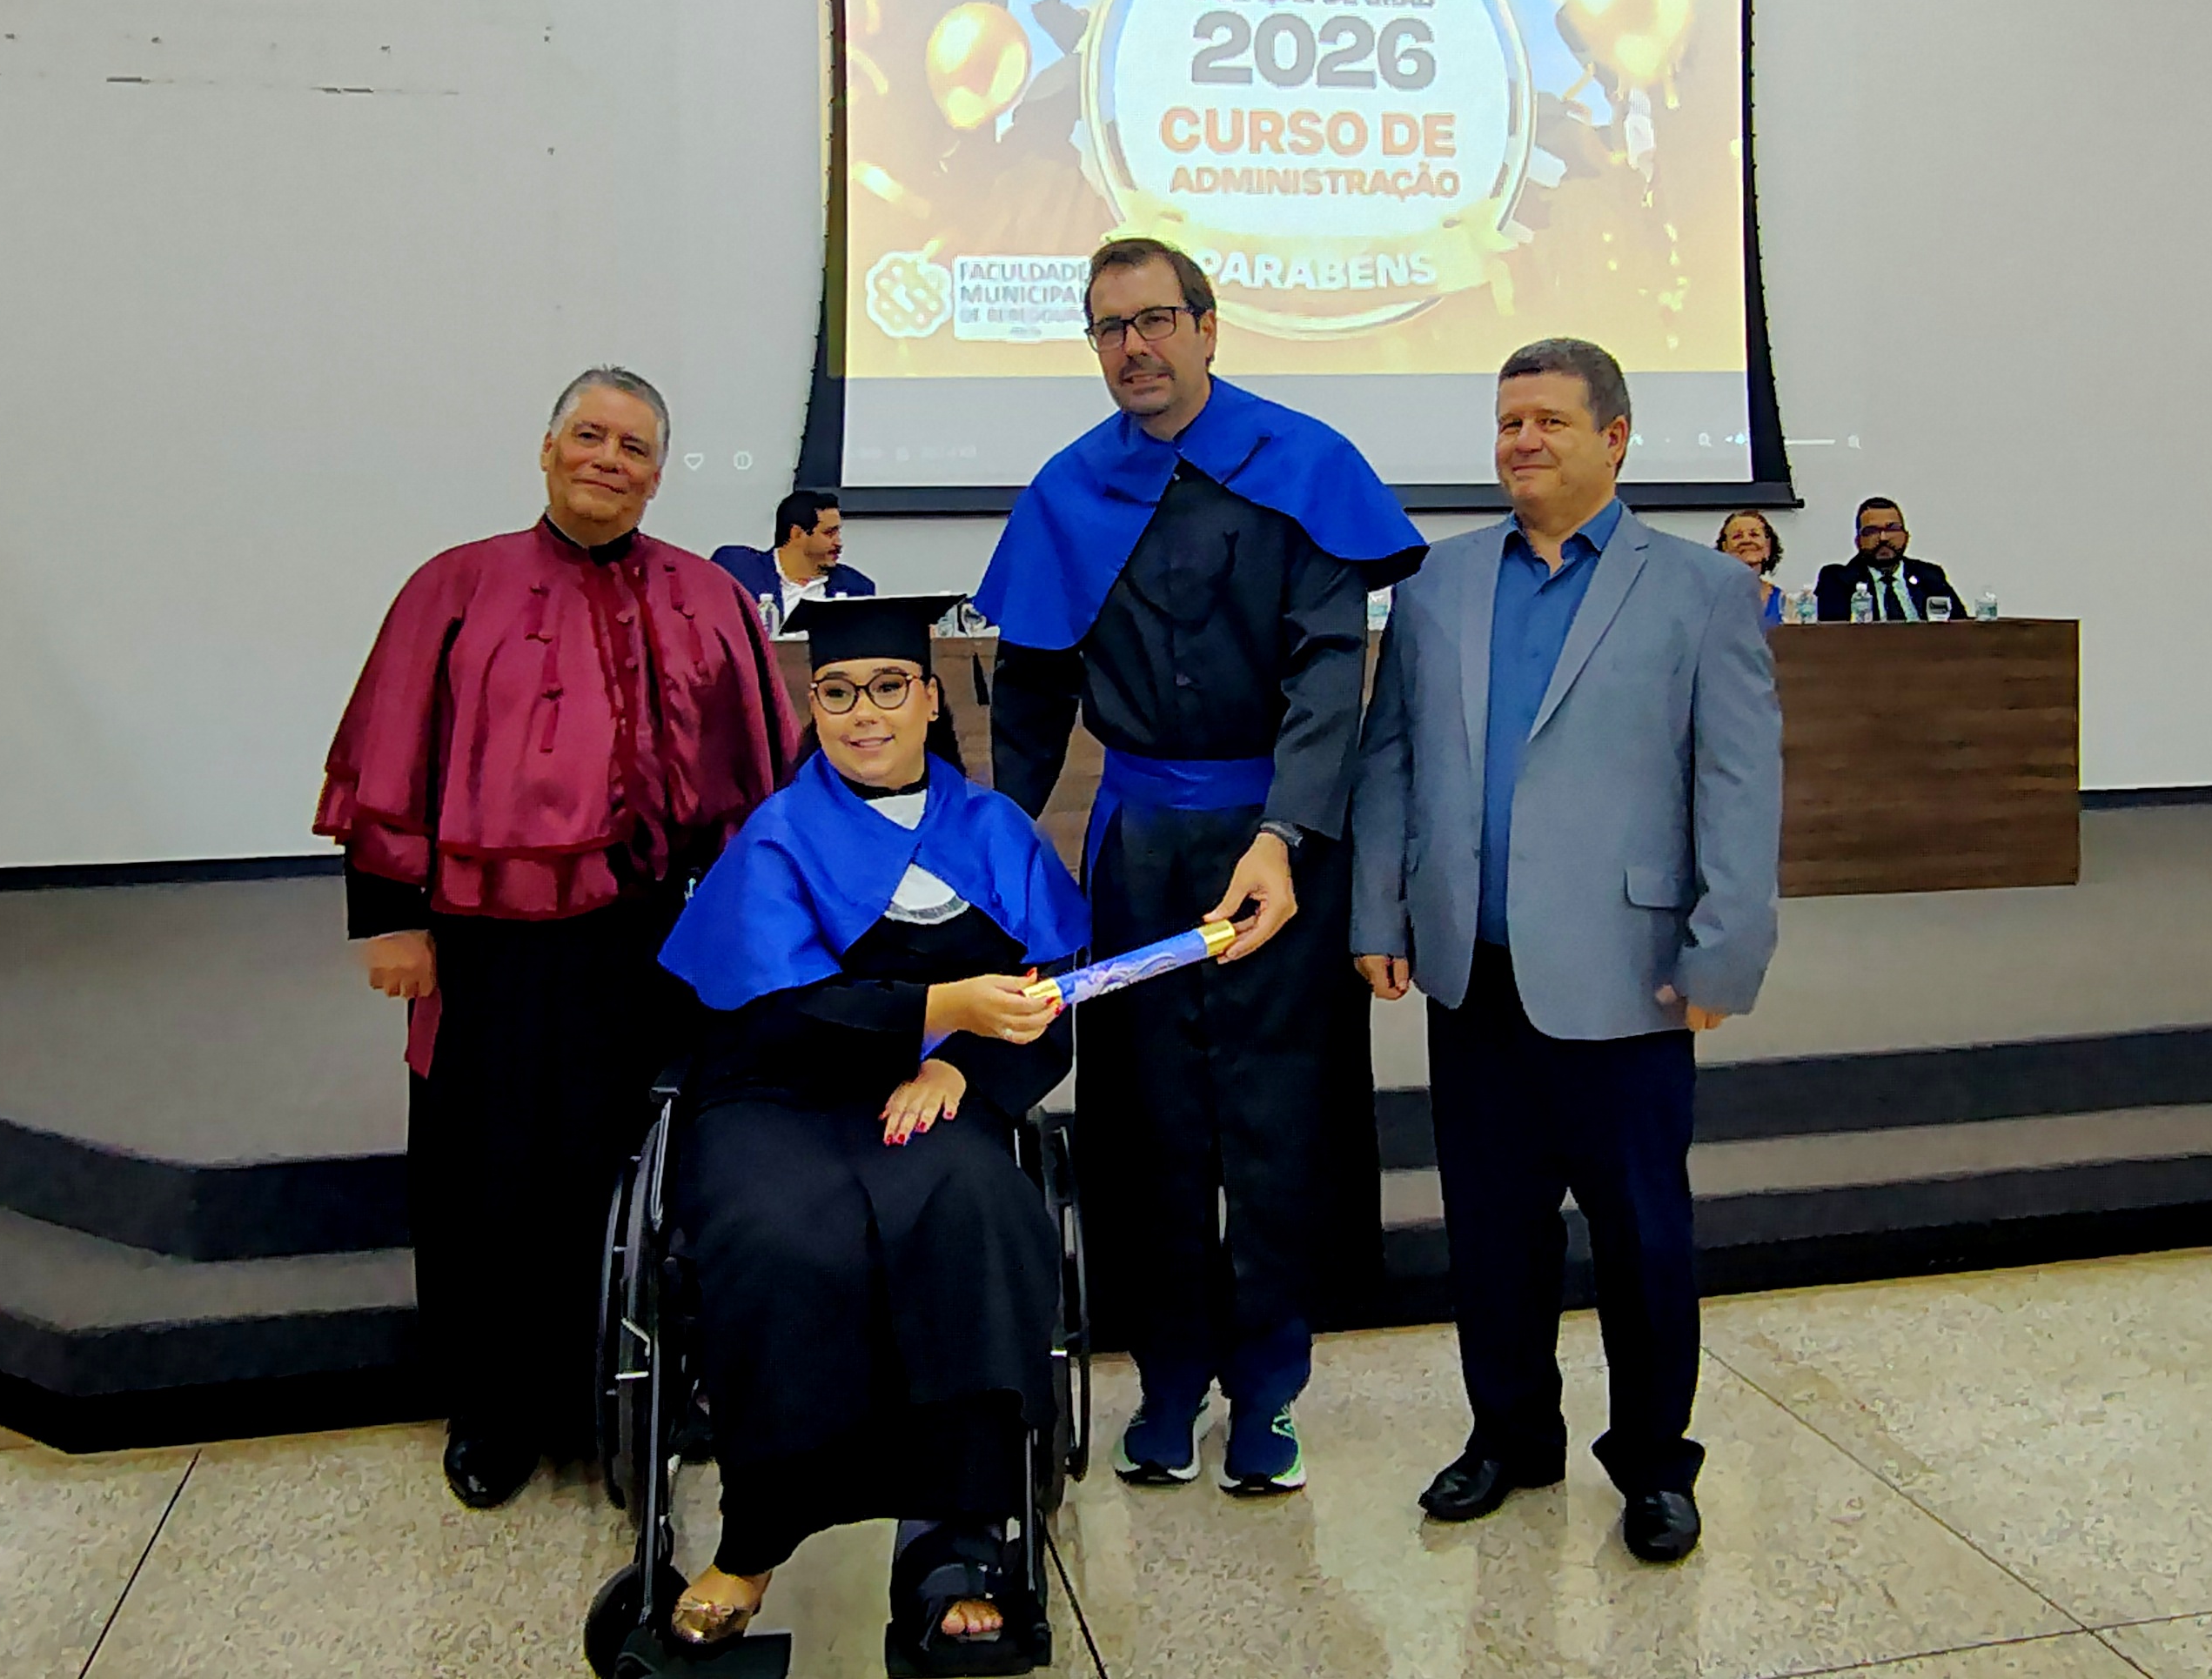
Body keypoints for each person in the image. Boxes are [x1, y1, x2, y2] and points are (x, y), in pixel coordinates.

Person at [976, 235, 1425, 1499]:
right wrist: (995, 860)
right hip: (1140, 857)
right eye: (1109, 327)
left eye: (1157, 320)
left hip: (1281, 851)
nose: (1135, 347)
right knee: (1149, 1124)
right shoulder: (1067, 490)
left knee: (1281, 1122)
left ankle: (1270, 1386)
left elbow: (1328, 674)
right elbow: (1031, 701)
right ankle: (1169, 1378)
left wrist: (1285, 836)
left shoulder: (1305, 464)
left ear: (1210, 326)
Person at [317, 366, 799, 1511]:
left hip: (658, 941)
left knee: (647, 1170)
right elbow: (390, 750)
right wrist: (393, 918)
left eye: (634, 448)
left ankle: (638, 1391)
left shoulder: (708, 598)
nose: (607, 461)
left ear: (658, 475)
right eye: (590, 436)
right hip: (492, 948)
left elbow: (764, 778)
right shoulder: (454, 587)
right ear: (547, 449)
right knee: (488, 1177)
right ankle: (495, 1410)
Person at [1351, 338, 1781, 1562]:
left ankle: (1652, 1461)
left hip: (1631, 975)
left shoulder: (1702, 591)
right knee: (1492, 1229)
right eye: (1508, 422)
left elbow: (1739, 784)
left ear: (1616, 438)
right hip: (1473, 971)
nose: (1522, 441)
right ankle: (1510, 1435)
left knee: (1643, 1236)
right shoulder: (1439, 583)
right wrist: (1379, 913)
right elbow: (1392, 757)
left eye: (1548, 420)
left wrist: (1724, 952)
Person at [654, 592, 1087, 1668]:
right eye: (838, 693)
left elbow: (1050, 1000)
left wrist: (963, 1068)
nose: (864, 713)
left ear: (932, 700)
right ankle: (756, 1538)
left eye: (889, 688)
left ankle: (953, 1538)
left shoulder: (994, 831)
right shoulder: (779, 835)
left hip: (928, 1095)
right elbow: (773, 1009)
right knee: (780, 1240)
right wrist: (940, 1008)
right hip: (777, 1095)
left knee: (974, 1211)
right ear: (815, 709)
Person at [713, 490, 876, 620]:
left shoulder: (856, 587)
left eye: (838, 533)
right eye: (829, 533)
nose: (838, 543)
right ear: (797, 534)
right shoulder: (738, 568)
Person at [1813, 496, 1961, 621]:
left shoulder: (1929, 576)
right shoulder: (1837, 580)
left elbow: (1961, 629)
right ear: (1858, 541)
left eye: (1892, 529)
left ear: (1906, 536)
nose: (1883, 538)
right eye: (1872, 531)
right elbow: (1832, 636)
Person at [1714, 507, 1786, 628]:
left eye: (1754, 535)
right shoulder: (1711, 600)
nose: (1747, 540)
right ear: (1724, 548)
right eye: (1737, 536)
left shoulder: (1783, 601)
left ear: (1768, 547)